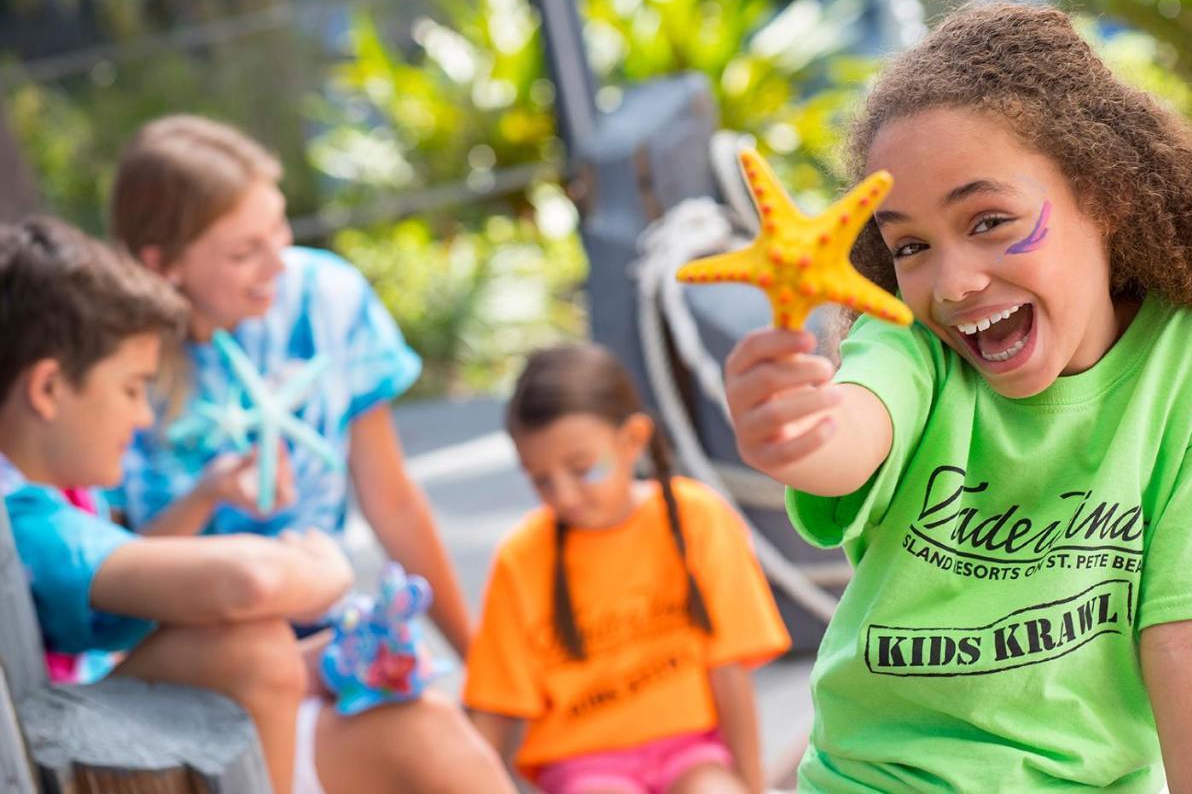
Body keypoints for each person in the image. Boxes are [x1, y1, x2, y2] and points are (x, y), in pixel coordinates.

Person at [724, 0, 1192, 792]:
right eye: (909, 244)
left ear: (1105, 195)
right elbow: (850, 432)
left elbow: (1190, 634)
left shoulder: (1190, 359)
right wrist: (792, 425)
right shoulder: (908, 349)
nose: (952, 282)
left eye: (988, 219)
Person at [0, 216, 348, 793]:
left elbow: (129, 566)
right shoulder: (22, 522)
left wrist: (207, 492)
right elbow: (249, 581)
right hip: (52, 764)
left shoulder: (52, 495)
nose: (142, 417)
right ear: (48, 388)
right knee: (252, 648)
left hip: (58, 735)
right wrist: (328, 570)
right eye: (133, 389)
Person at [107, 114, 471, 656]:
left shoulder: (325, 297)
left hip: (319, 619)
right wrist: (207, 493)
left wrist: (477, 657)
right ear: (163, 264)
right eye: (243, 252)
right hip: (195, 649)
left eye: (278, 227)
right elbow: (111, 584)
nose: (278, 262)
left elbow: (391, 501)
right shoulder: (112, 365)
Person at [465, 342, 791, 794]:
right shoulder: (521, 555)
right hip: (585, 767)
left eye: (581, 469)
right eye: (541, 480)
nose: (564, 497)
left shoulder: (698, 518)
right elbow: (493, 711)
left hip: (692, 753)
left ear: (632, 440)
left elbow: (729, 674)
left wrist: (751, 786)